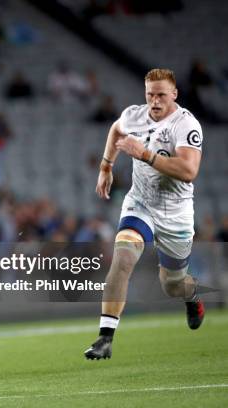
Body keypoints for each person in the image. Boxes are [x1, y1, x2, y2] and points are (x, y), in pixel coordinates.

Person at [85, 68, 205, 360]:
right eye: (150, 94)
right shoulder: (134, 115)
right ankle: (105, 338)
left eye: (161, 94)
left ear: (174, 94)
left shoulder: (186, 124)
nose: (155, 100)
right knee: (123, 256)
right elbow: (116, 128)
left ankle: (191, 296)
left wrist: (145, 154)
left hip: (175, 214)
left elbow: (189, 171)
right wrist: (105, 166)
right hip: (140, 204)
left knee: (172, 284)